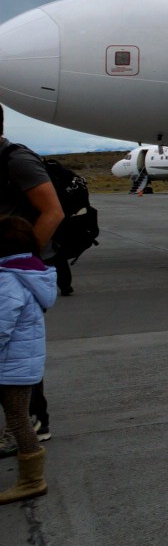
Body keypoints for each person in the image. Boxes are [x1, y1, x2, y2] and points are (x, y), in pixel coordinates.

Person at [0, 108, 64, 452]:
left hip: (19, 268)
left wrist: (23, 260)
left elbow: (53, 212)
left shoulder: (18, 160)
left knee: (18, 350)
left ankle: (33, 423)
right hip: (8, 266)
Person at [0, 215, 55, 503]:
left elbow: (1, 326)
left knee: (19, 420)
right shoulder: (29, 273)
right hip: (20, 364)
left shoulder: (8, 280)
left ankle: (32, 479)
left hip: (11, 366)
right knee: (18, 418)